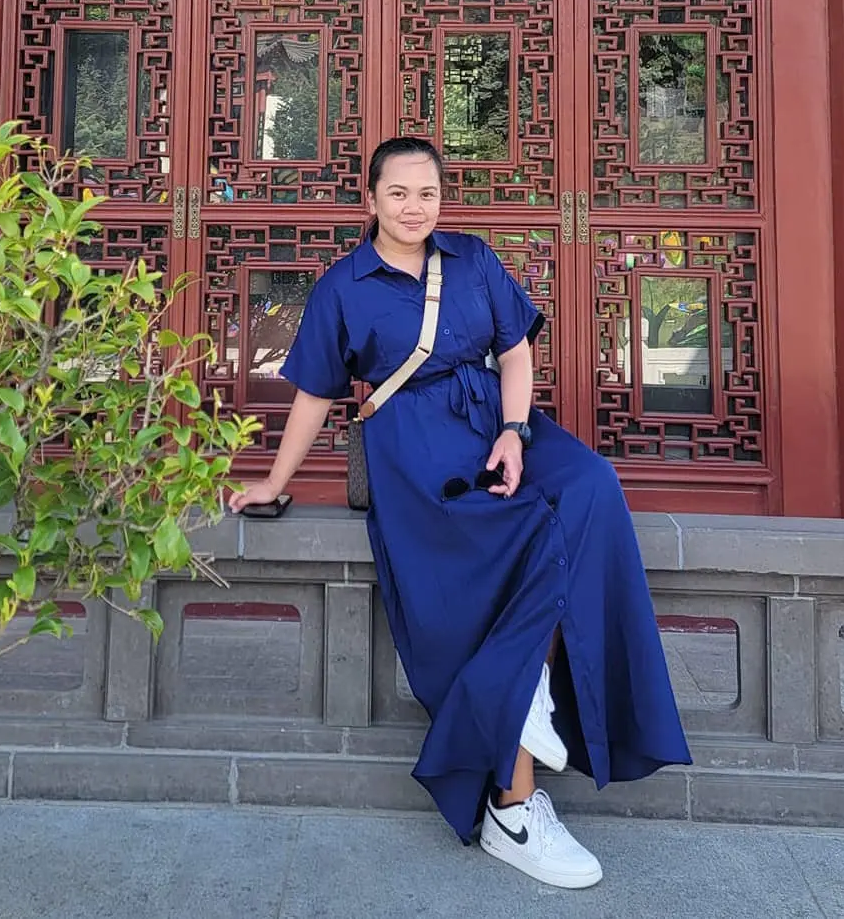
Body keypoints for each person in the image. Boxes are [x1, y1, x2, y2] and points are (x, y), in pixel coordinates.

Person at [230, 137, 692, 890]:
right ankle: (513, 797)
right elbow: (314, 393)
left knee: (591, 487)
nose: (414, 208)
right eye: (398, 193)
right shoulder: (343, 285)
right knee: (515, 535)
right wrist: (274, 481)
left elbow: (515, 352)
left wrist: (514, 431)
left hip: (493, 421)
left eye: (428, 194)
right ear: (370, 200)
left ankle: (529, 695)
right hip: (413, 443)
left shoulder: (473, 258)